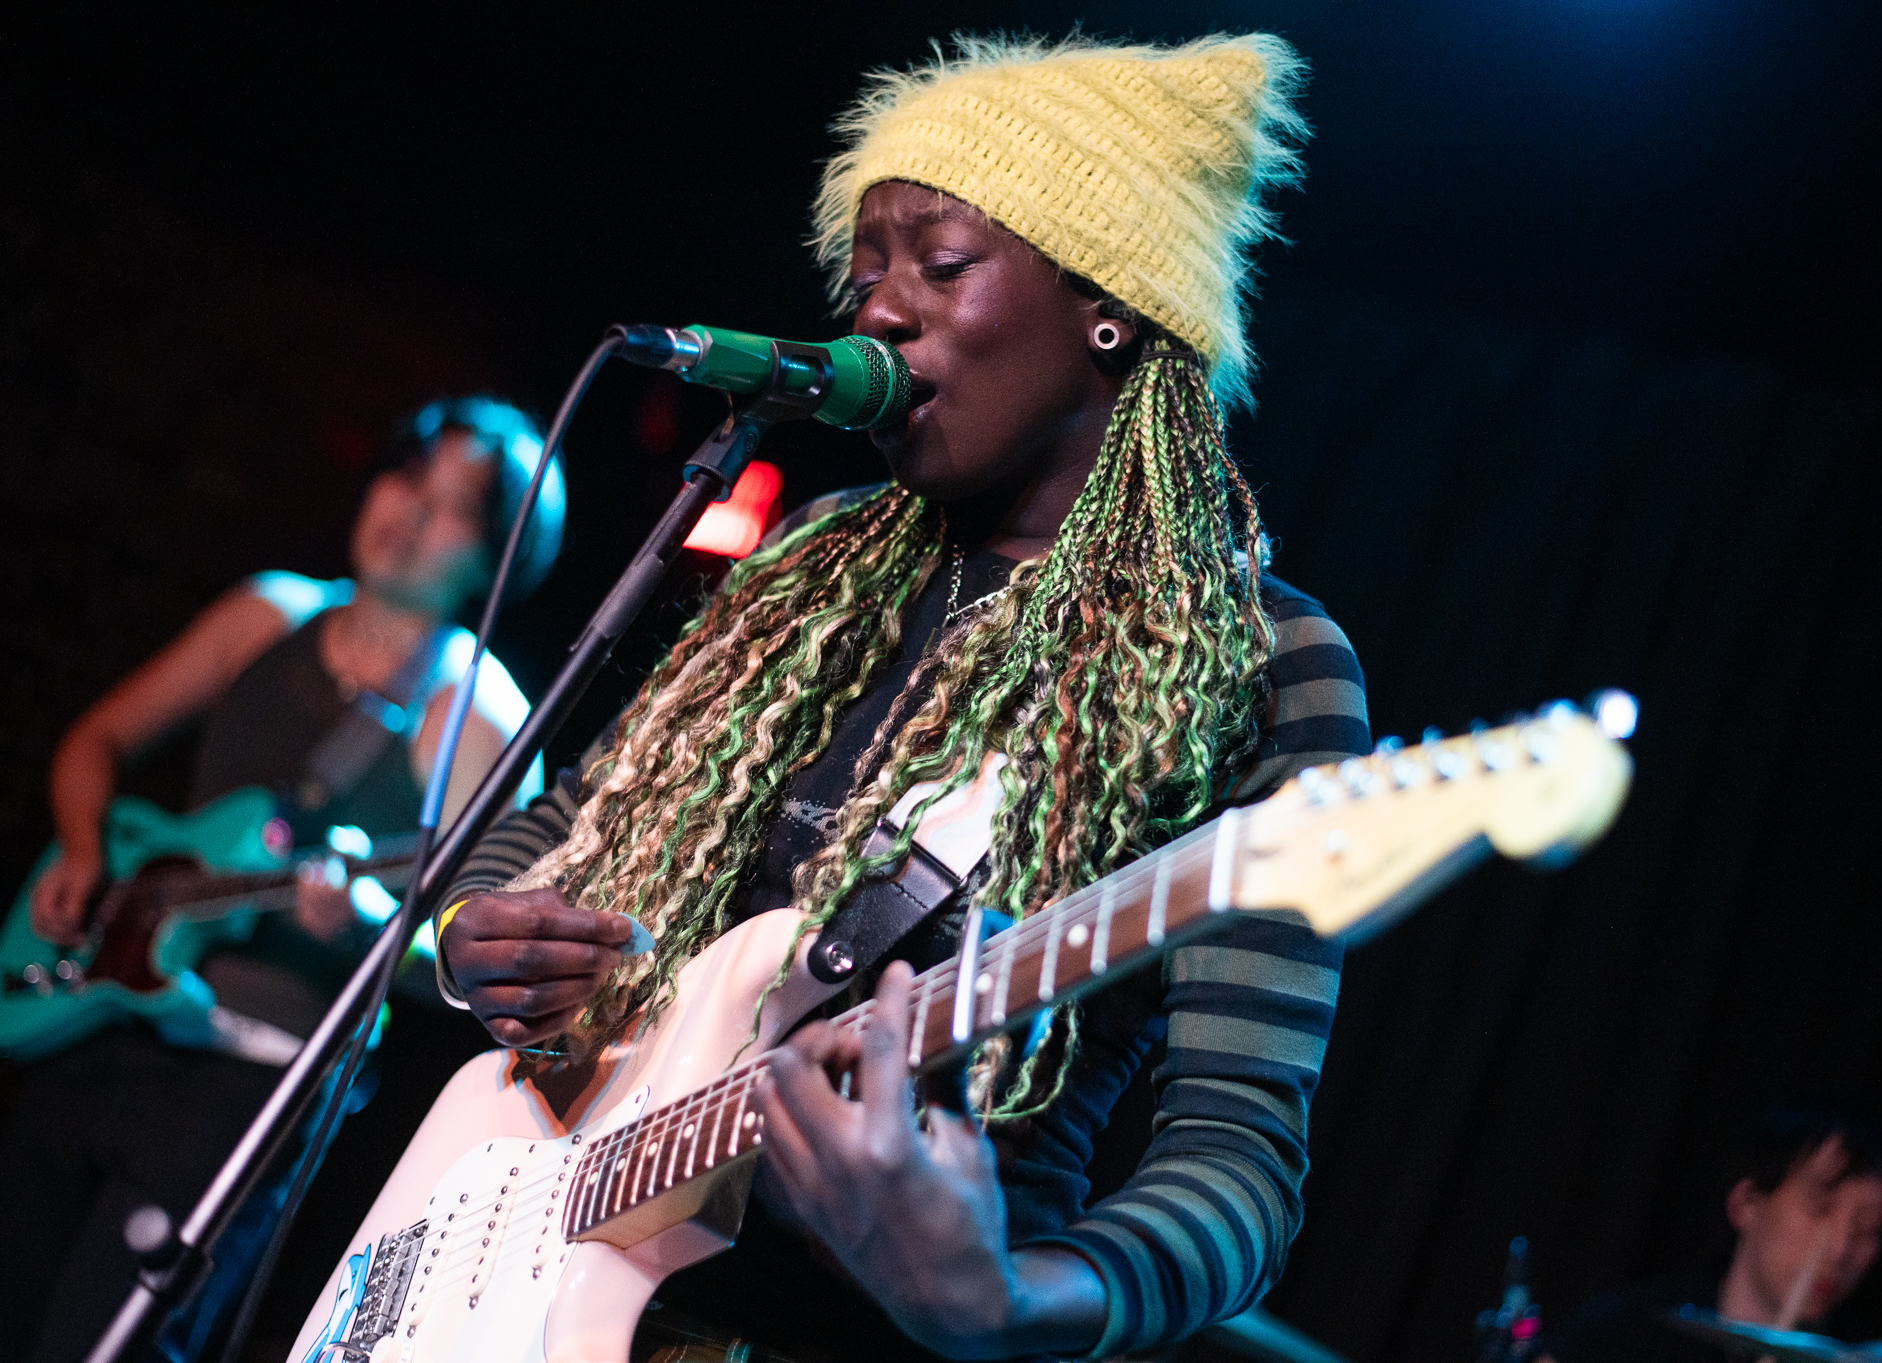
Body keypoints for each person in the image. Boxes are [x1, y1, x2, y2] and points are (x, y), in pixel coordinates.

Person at [433, 33, 1371, 1363]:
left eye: (941, 262)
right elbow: (565, 818)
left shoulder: (1258, 659)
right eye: (864, 272)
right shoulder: (812, 565)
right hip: (550, 1284)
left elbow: (1238, 1167)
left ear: (1107, 312)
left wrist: (1007, 1299)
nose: (876, 311)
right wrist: (473, 929)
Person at [0, 395, 565, 1363]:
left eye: (454, 507)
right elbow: (95, 740)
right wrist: (84, 852)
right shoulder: (270, 612)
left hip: (246, 1092)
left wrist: (369, 922)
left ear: (496, 557)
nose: (411, 512)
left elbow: (477, 953)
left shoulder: (483, 719)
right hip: (98, 1023)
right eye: (407, 475)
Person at [1541, 1105, 1882, 1363]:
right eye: (1821, 1210)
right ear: (1745, 1204)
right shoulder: (1621, 1334)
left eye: (1868, 1229)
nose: (1840, 1248)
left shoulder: (1865, 1356)